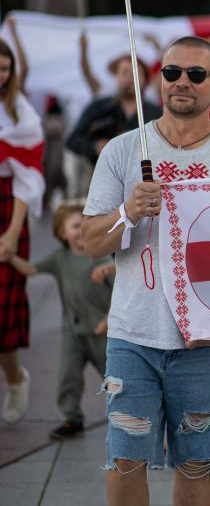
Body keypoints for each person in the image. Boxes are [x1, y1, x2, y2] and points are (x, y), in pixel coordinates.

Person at [81, 36, 210, 506]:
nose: (182, 82)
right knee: (125, 461)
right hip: (134, 338)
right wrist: (128, 211)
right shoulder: (122, 152)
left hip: (206, 347)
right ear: (158, 79)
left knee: (195, 464)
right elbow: (88, 243)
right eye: (172, 73)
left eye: (196, 74)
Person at [3, 199, 114, 439]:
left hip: (101, 332)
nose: (81, 232)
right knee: (68, 376)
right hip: (72, 333)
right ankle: (72, 418)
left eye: (85, 226)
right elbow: (31, 270)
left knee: (114, 378)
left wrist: (108, 320)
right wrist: (11, 257)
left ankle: (126, 415)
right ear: (61, 232)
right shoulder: (59, 257)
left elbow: (120, 292)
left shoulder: (101, 258)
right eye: (75, 226)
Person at [0, 38, 45, 425]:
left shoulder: (21, 116)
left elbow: (26, 179)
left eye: (4, 68)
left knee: (2, 308)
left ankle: (15, 378)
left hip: (6, 207)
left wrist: (13, 231)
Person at [67, 53, 162, 166]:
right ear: (117, 77)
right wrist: (95, 147)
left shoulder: (157, 114)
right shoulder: (98, 107)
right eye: (124, 73)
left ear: (145, 80)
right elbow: (73, 140)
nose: (129, 78)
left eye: (135, 73)